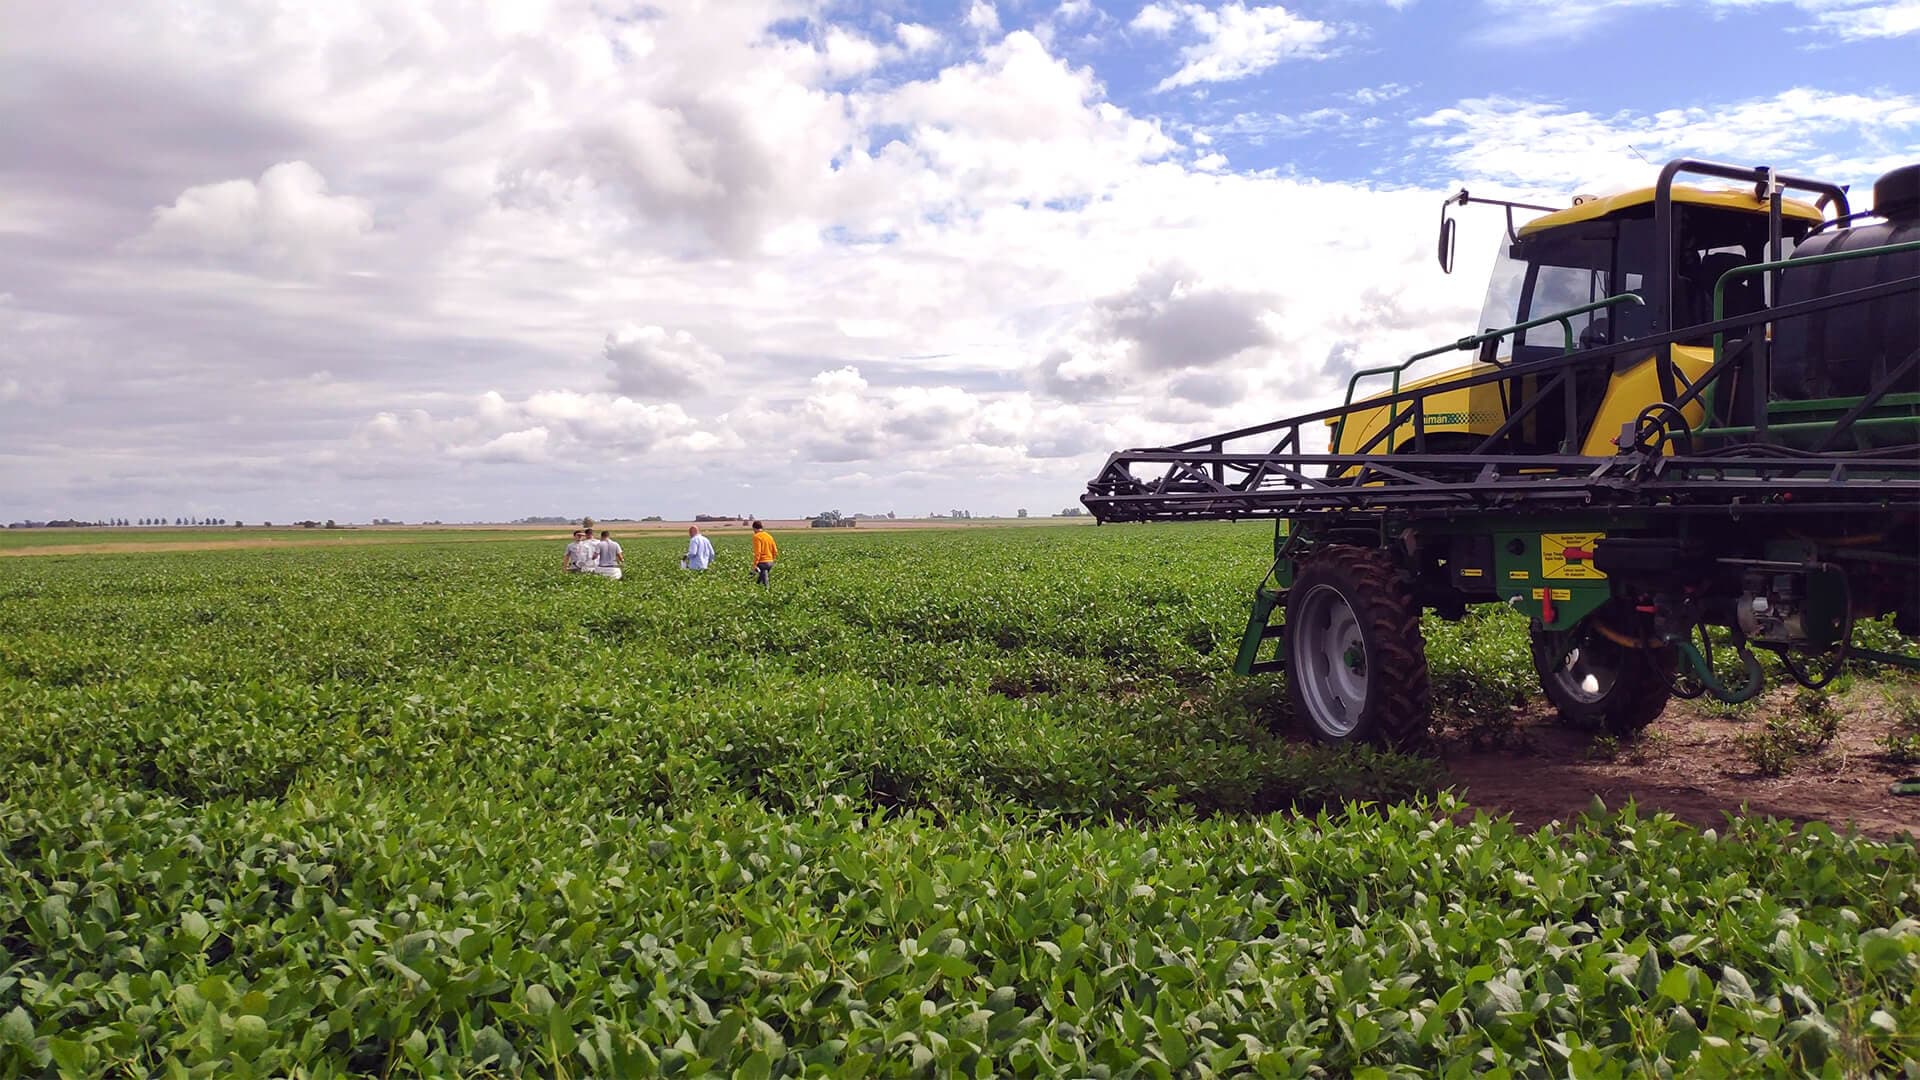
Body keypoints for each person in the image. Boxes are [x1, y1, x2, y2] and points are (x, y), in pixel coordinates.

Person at [750, 520, 777, 587]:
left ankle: (767, 590)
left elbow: (758, 552)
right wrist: (772, 559)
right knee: (760, 578)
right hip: (770, 561)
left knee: (764, 582)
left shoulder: (756, 537)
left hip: (762, 562)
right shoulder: (769, 536)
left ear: (754, 528)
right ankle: (756, 587)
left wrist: (755, 565)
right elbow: (775, 550)